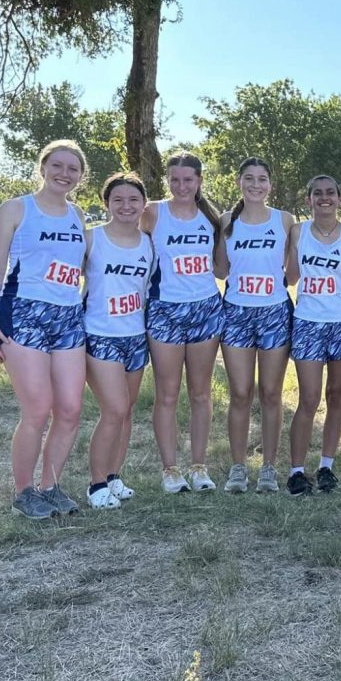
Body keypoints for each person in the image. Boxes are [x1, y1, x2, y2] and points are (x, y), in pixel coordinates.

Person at [0, 139, 89, 519]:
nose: (64, 174)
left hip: (68, 317)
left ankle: (51, 486)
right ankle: (24, 492)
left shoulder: (78, 215)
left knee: (71, 409)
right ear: (43, 167)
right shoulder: (15, 209)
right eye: (57, 166)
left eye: (72, 169)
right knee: (38, 408)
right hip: (23, 312)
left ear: (80, 175)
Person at [142, 151, 224, 494]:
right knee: (167, 394)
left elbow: (221, 269)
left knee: (201, 393)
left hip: (205, 309)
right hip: (164, 310)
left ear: (199, 181)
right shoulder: (153, 212)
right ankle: (170, 469)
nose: (181, 186)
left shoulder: (212, 217)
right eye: (174, 179)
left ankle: (198, 466)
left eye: (188, 179)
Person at [215, 158, 294, 495]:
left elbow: (294, 270)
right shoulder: (226, 221)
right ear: (239, 182)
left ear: (270, 185)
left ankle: (268, 469)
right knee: (241, 393)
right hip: (236, 313)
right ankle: (237, 469)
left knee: (272, 394)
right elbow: (220, 270)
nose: (256, 185)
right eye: (249, 178)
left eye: (262, 179)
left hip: (274, 312)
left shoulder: (285, 220)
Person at [285, 175, 341, 496]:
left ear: (340, 198)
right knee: (308, 398)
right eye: (317, 193)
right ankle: (295, 471)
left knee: (336, 395)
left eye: (330, 192)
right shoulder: (297, 232)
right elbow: (291, 277)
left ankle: (326, 467)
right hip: (307, 321)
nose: (324, 198)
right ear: (308, 200)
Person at [82, 173, 153, 509]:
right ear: (107, 203)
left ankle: (113, 476)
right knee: (113, 410)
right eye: (118, 200)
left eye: (133, 200)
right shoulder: (91, 239)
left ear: (143, 204)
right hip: (100, 334)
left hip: (135, 336)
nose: (126, 206)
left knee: (127, 413)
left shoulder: (149, 243)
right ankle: (96, 484)